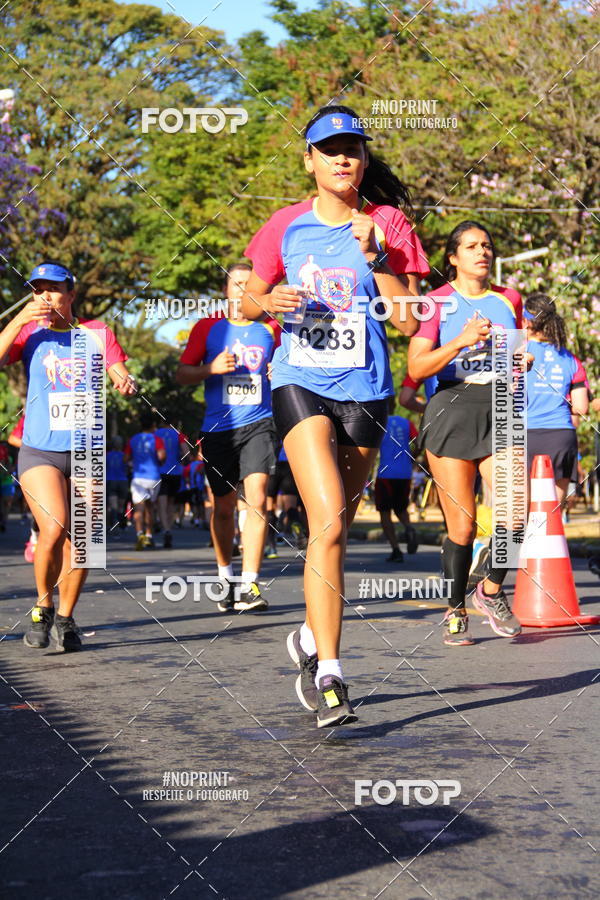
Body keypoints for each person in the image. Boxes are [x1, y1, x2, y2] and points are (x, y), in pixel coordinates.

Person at [241, 105, 428, 726]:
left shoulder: (389, 224)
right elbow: (245, 299)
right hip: (300, 381)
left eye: (353, 148)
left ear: (364, 159)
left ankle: (306, 636)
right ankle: (330, 674)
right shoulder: (286, 225)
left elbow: (406, 323)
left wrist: (377, 259)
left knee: (338, 529)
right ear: (309, 161)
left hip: (367, 390)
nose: (343, 157)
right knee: (324, 522)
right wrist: (269, 297)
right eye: (329, 149)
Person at [0, 260, 135, 651]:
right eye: (38, 289)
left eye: (54, 288)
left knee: (87, 540)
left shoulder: (97, 333)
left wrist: (125, 381)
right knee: (55, 525)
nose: (46, 296)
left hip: (86, 453)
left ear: (71, 295)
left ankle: (66, 617)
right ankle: (43, 605)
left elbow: (118, 372)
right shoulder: (29, 334)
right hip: (40, 450)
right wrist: (20, 319)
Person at [408, 221, 523, 646]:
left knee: (516, 515)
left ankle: (490, 590)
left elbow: (511, 359)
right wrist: (460, 340)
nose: (483, 251)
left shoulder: (508, 300)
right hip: (452, 407)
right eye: (471, 246)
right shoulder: (434, 302)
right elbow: (417, 369)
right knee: (464, 527)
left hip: (500, 406)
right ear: (453, 257)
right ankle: (455, 608)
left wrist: (521, 363)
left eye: (488, 245)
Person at [176, 263, 281, 613]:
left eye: (248, 284)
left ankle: (250, 584)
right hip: (219, 428)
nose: (241, 290)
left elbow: (291, 365)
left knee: (258, 500)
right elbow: (182, 374)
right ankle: (226, 576)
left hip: (260, 423)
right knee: (222, 507)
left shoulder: (271, 328)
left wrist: (278, 368)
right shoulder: (208, 328)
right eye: (236, 284)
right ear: (226, 290)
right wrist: (210, 369)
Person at [524, 293, 589, 507]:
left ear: (525, 320)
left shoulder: (516, 352)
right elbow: (581, 408)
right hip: (561, 436)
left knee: (522, 514)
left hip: (523, 435)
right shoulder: (571, 359)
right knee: (550, 514)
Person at [374, 398, 419, 562]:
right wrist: (412, 457)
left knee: (384, 512)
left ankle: (396, 549)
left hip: (385, 474)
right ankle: (409, 528)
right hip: (405, 473)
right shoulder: (406, 423)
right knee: (401, 508)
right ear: (394, 405)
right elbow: (418, 441)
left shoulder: (378, 423)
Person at [124, 413, 166, 550]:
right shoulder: (157, 439)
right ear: (153, 425)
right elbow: (161, 456)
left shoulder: (133, 439)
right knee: (150, 508)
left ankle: (139, 534)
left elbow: (125, 458)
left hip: (138, 477)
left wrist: (134, 461)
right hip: (154, 477)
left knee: (139, 508)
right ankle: (149, 536)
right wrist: (161, 462)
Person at [155, 424, 188, 548]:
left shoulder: (156, 434)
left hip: (160, 472)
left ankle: (166, 529)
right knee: (171, 503)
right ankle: (169, 527)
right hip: (175, 472)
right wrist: (181, 462)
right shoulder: (179, 434)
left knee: (161, 504)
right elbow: (186, 452)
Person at [106, 435, 130, 533]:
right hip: (122, 481)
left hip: (110, 481)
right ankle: (119, 523)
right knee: (120, 506)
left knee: (112, 506)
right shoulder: (125, 456)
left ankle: (111, 524)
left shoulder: (107, 455)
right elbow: (128, 469)